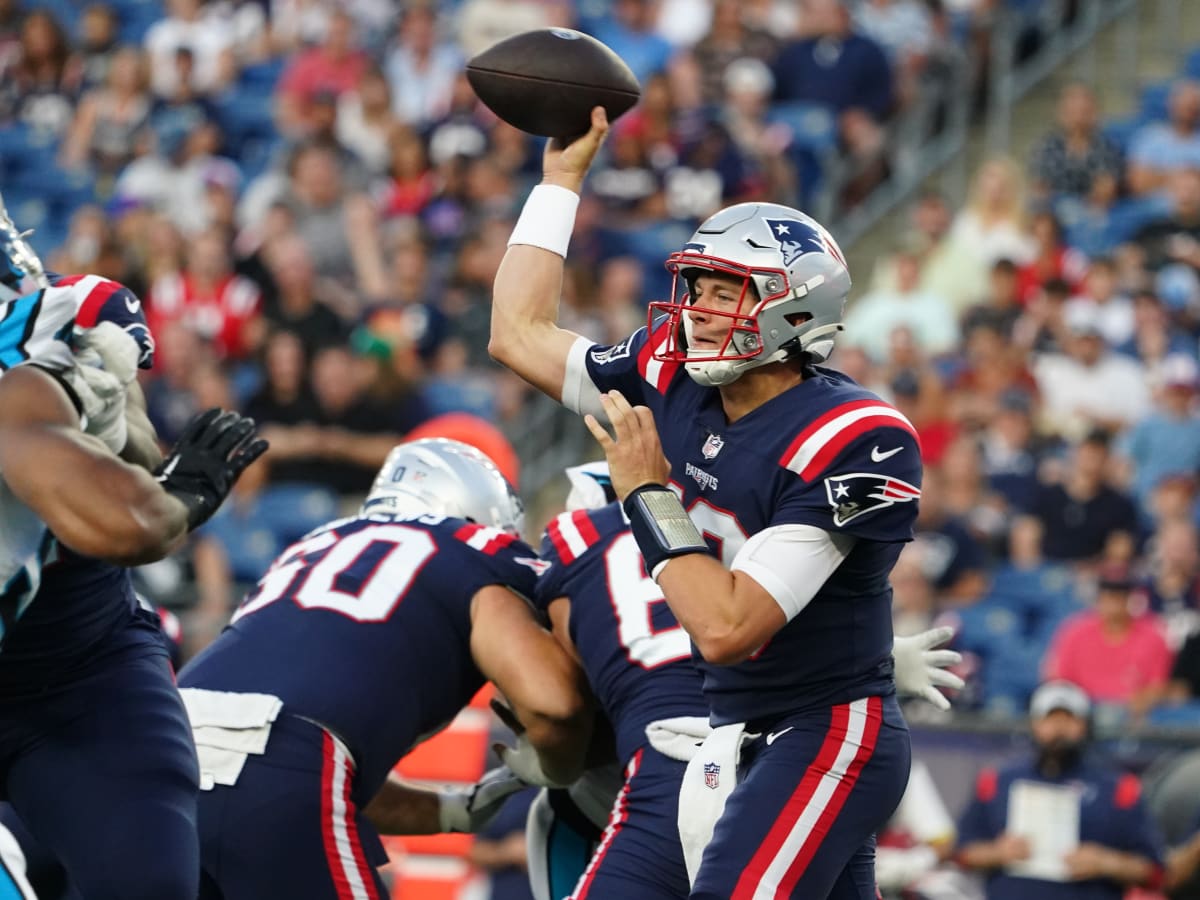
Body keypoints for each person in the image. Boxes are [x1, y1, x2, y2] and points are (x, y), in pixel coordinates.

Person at [490, 107, 924, 898]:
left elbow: (726, 626)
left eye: (727, 293)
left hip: (826, 731)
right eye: (696, 286)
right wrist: (559, 181)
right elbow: (518, 334)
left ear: (797, 311)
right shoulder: (673, 367)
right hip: (730, 731)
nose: (697, 310)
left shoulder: (858, 435)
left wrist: (647, 491)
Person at [177, 438, 593, 900]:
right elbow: (555, 707)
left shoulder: (313, 545)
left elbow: (270, 752)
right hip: (286, 762)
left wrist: (453, 811)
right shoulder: (477, 551)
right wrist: (557, 762)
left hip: (167, 748)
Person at [527, 463, 964, 900]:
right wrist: (879, 656)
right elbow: (784, 609)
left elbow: (565, 703)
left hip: (672, 766)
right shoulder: (726, 520)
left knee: (562, 811)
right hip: (784, 755)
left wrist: (547, 762)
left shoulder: (575, 537)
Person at [0, 200, 268, 900]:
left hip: (78, 678)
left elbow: (130, 508)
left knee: (145, 884)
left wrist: (164, 482)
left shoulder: (36, 354)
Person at [955, 680, 1165, 899]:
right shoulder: (998, 781)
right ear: (1034, 723)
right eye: (1051, 718)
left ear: (1085, 725)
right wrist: (998, 853)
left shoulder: (1118, 789)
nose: (1059, 728)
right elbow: (961, 852)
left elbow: (1155, 872)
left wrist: (1106, 862)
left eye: (1069, 719)